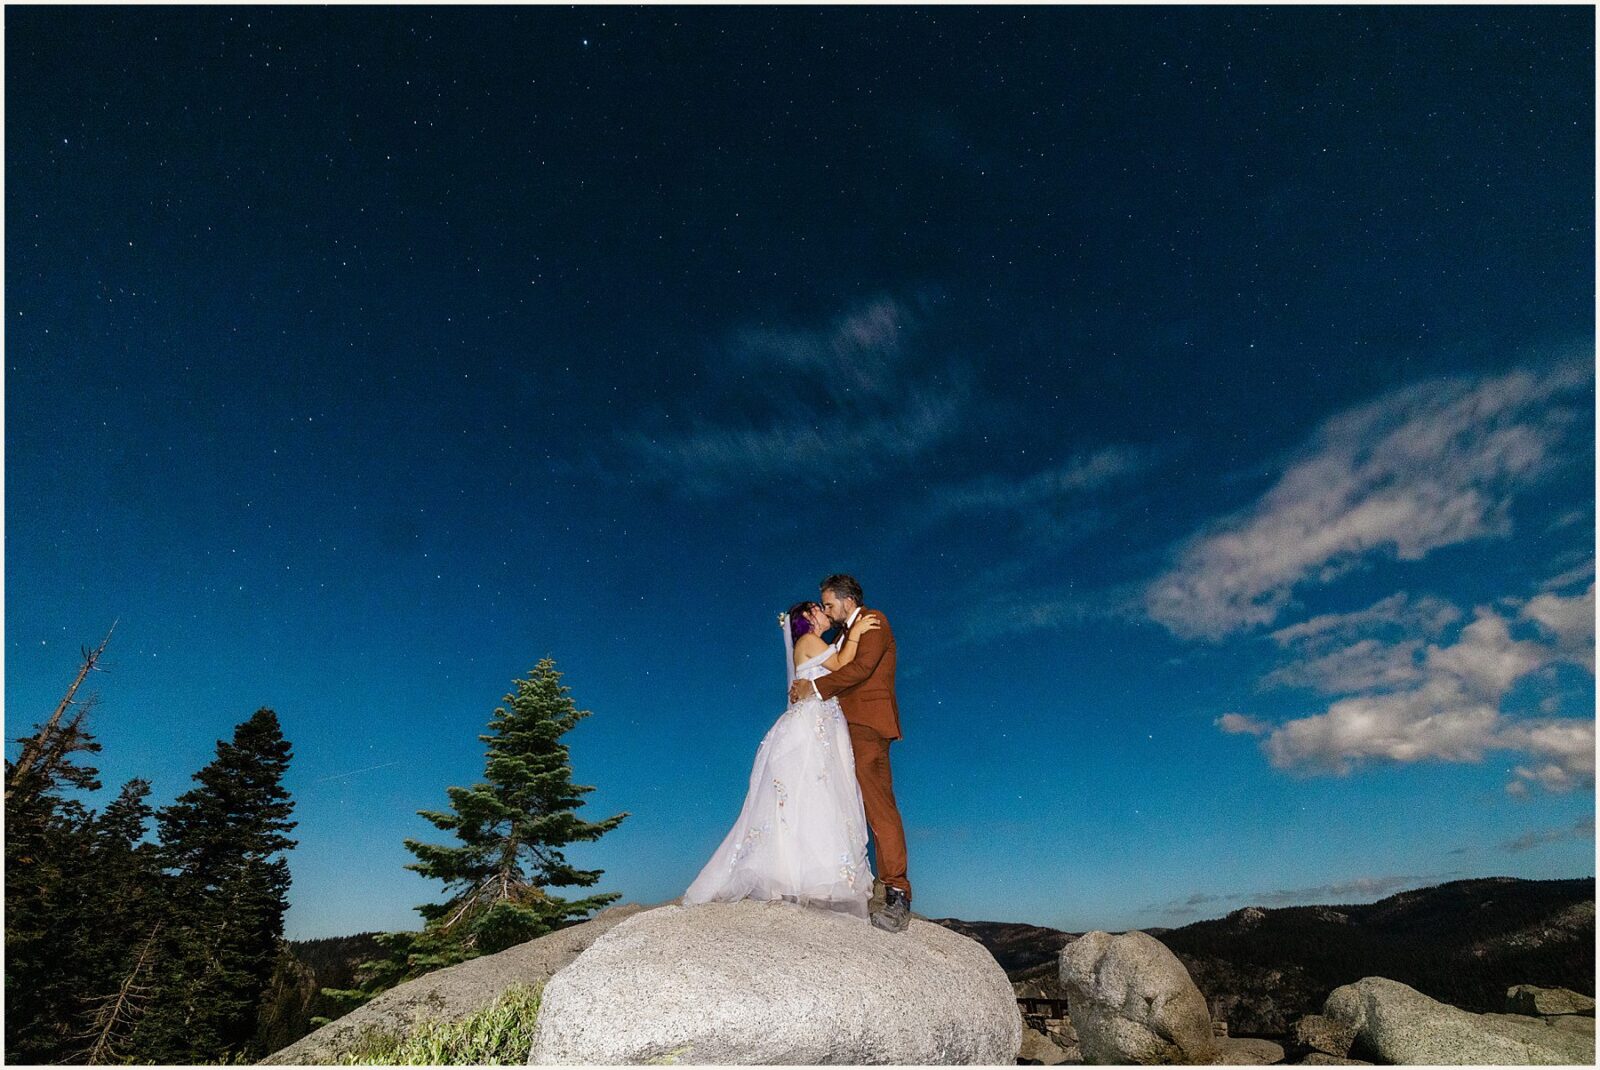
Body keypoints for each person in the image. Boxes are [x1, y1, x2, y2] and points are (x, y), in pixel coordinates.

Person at [682, 600, 882, 919]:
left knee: (815, 799)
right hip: (814, 727)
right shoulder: (810, 641)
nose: (824, 612)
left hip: (821, 723)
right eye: (818, 609)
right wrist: (857, 630)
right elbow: (844, 664)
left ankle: (806, 878)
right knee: (817, 795)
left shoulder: (814, 643)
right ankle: (809, 879)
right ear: (806, 619)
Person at [788, 574, 912, 933]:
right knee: (845, 805)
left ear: (846, 600)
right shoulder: (843, 635)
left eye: (828, 604)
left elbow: (859, 670)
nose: (826, 610)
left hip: (868, 727)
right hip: (844, 730)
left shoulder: (875, 622)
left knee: (878, 806)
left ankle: (898, 893)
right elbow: (841, 660)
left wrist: (813, 687)